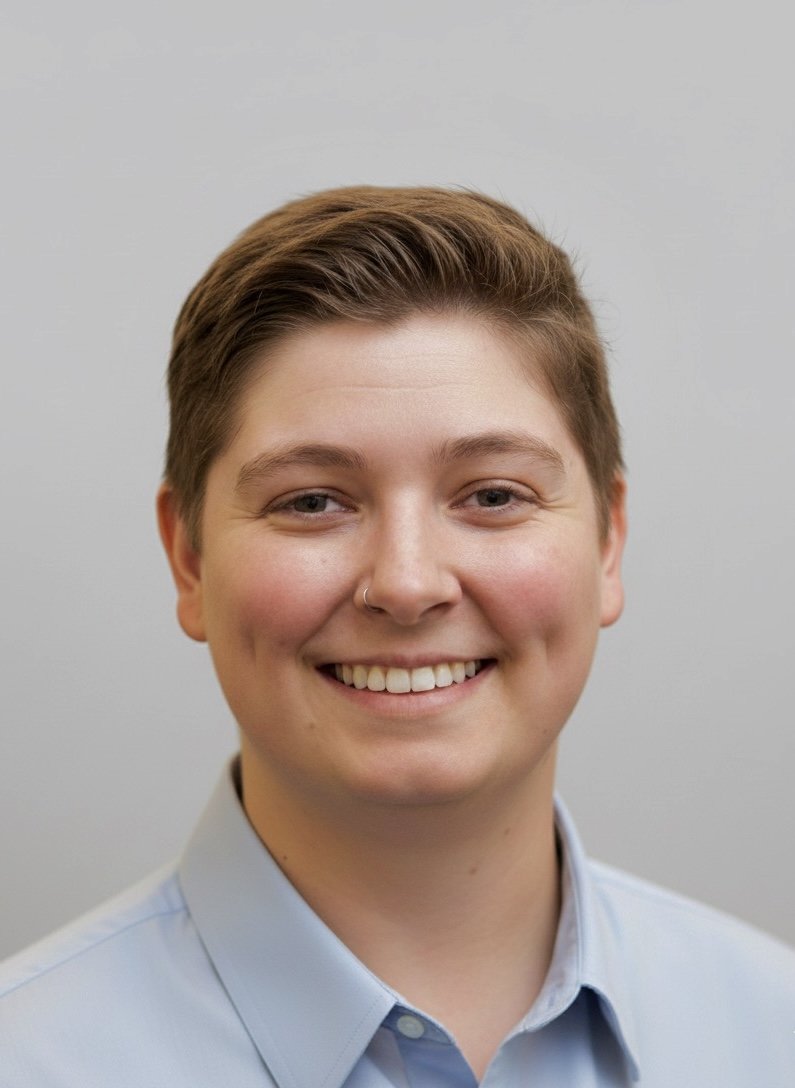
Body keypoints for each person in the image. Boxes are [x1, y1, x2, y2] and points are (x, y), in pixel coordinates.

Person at [1, 186, 793, 1086]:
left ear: (607, 542)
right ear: (189, 559)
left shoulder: (772, 1036)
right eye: (311, 502)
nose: (407, 585)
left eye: (493, 495)